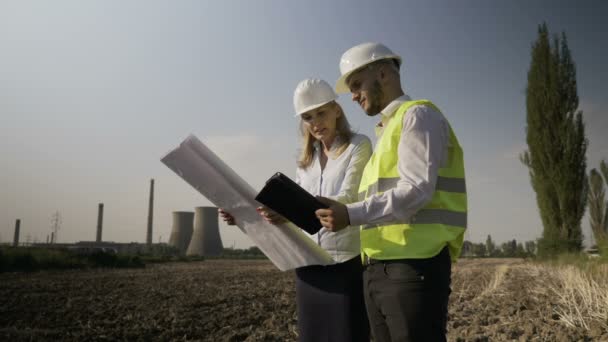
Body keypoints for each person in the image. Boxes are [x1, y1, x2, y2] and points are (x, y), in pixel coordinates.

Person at [315, 42, 467, 342]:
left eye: (357, 85)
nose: (354, 96)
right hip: (379, 269)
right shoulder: (387, 132)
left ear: (383, 73)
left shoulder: (417, 117)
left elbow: (416, 191)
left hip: (413, 267)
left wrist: (350, 214)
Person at [219, 78, 372, 342]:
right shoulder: (305, 161)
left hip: (345, 264)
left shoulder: (359, 145)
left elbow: (347, 197)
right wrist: (244, 216)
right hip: (308, 264)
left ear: (337, 110)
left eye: (321, 112)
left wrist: (290, 210)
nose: (315, 122)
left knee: (348, 334)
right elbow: (292, 216)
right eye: (307, 117)